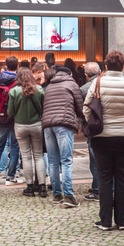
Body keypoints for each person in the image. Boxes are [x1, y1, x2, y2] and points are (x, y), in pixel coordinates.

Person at [85, 51, 124, 229]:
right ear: (123, 66)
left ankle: (106, 220)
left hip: (102, 137)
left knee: (105, 178)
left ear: (106, 66)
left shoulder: (98, 83)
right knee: (123, 177)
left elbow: (87, 108)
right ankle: (123, 220)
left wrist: (94, 125)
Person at [42, 64, 84, 207]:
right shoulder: (72, 84)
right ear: (69, 74)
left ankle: (56, 194)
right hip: (63, 124)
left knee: (53, 161)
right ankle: (69, 196)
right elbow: (80, 105)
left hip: (48, 125)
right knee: (66, 160)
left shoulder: (49, 86)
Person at [8, 67, 46, 197]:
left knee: (26, 156)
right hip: (36, 124)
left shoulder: (13, 91)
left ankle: (29, 187)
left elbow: (10, 112)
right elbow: (43, 109)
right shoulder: (39, 89)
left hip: (20, 125)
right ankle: (42, 187)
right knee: (39, 155)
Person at [0, 56, 21, 185]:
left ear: (5, 66)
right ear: (17, 66)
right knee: (14, 147)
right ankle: (10, 177)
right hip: (14, 117)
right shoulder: (19, 81)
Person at [80, 62, 102, 201]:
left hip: (92, 127)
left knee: (94, 159)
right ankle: (102, 186)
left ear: (86, 75)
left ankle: (97, 188)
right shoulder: (108, 84)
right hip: (109, 126)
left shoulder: (83, 89)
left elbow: (84, 110)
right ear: (100, 72)